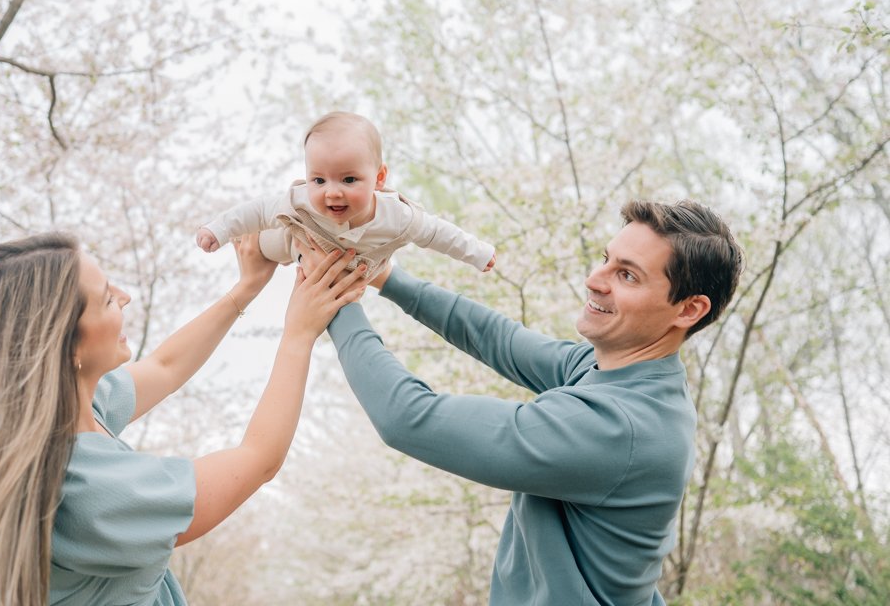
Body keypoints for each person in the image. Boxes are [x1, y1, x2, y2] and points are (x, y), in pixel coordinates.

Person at [303, 199, 743, 605]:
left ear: (688, 310)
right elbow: (500, 339)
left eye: (626, 275)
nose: (595, 280)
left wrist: (333, 299)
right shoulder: (623, 376)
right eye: (606, 260)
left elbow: (409, 418)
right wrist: (384, 275)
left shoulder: (617, 425)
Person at [0, 232, 366, 606]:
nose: (126, 297)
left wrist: (245, 289)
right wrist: (299, 333)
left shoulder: (61, 422)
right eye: (105, 298)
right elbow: (258, 459)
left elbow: (166, 366)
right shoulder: (87, 488)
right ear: (65, 344)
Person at [196, 111, 496, 281]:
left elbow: (437, 233)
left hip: (358, 260)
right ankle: (256, 246)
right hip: (295, 238)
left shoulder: (398, 218)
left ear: (379, 178)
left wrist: (477, 253)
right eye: (319, 180)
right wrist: (220, 229)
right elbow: (258, 211)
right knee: (266, 242)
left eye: (349, 179)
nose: (332, 192)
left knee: (351, 283)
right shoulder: (300, 202)